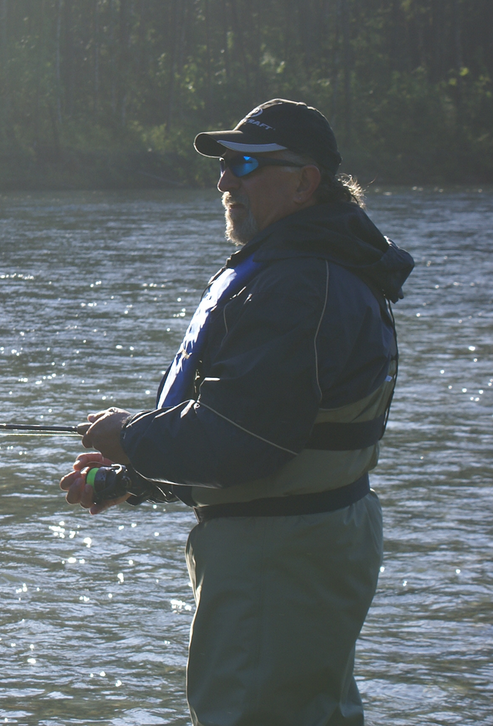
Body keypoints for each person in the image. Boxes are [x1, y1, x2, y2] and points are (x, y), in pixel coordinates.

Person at [60, 99, 414, 725]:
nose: (225, 180)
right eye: (225, 163)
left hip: (278, 561)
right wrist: (129, 480)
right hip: (299, 547)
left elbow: (242, 436)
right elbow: (274, 432)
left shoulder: (300, 283)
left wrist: (129, 438)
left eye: (246, 163)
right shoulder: (310, 268)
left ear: (305, 182)